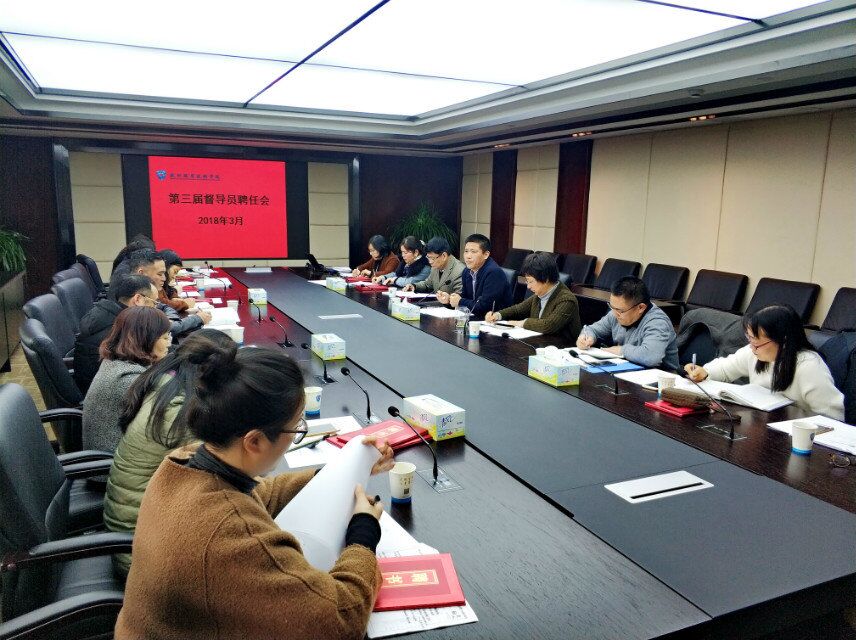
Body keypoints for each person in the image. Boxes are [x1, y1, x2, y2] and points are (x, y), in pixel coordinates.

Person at [115, 344, 395, 639]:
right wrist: (363, 534)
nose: (297, 434)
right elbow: (340, 621)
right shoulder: (232, 535)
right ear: (254, 441)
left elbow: (260, 494)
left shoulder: (185, 461)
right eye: (296, 428)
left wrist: (344, 471)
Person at [104, 329, 235, 575]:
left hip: (138, 530)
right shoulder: (180, 414)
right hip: (143, 557)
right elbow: (231, 471)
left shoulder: (164, 385)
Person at [685, 304, 844, 419]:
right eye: (750, 339)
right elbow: (725, 369)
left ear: (783, 340)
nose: (752, 347)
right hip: (761, 426)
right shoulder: (753, 352)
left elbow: (833, 417)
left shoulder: (809, 366)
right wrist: (704, 372)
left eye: (757, 343)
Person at [82, 307, 172, 457]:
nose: (169, 343)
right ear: (146, 339)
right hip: (115, 463)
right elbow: (165, 423)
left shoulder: (115, 361)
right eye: (164, 338)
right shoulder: (129, 379)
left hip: (117, 452)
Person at [73, 274, 159, 395]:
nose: (156, 310)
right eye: (154, 303)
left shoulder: (108, 313)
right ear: (138, 299)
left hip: (98, 386)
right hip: (109, 393)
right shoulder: (122, 331)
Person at [576, 276, 679, 370]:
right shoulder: (616, 313)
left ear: (641, 307)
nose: (614, 313)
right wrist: (586, 337)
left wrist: (622, 351)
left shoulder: (658, 322)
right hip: (628, 370)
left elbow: (651, 356)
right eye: (612, 307)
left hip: (662, 377)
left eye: (620, 310)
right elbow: (592, 330)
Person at [485, 252, 582, 343]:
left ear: (546, 278)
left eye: (531, 281)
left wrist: (520, 323)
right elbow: (517, 309)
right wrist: (497, 315)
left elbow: (549, 325)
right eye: (527, 281)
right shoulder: (539, 295)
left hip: (561, 348)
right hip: (540, 343)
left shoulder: (566, 300)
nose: (528, 286)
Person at [120, 249, 211, 335]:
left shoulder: (143, 292)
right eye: (160, 274)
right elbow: (165, 330)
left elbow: (164, 307)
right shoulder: (129, 305)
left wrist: (170, 320)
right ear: (141, 273)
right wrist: (197, 318)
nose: (164, 278)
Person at [438, 233, 511, 320]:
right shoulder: (466, 271)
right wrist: (449, 300)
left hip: (494, 322)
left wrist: (460, 301)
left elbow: (485, 307)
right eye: (466, 251)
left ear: (486, 255)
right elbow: (466, 299)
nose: (468, 256)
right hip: (475, 318)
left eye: (473, 252)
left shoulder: (493, 272)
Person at [156, 248, 196, 313]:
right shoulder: (155, 283)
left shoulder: (163, 285)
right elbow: (162, 304)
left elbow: (169, 291)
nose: (174, 277)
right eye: (175, 271)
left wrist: (174, 298)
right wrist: (185, 304)